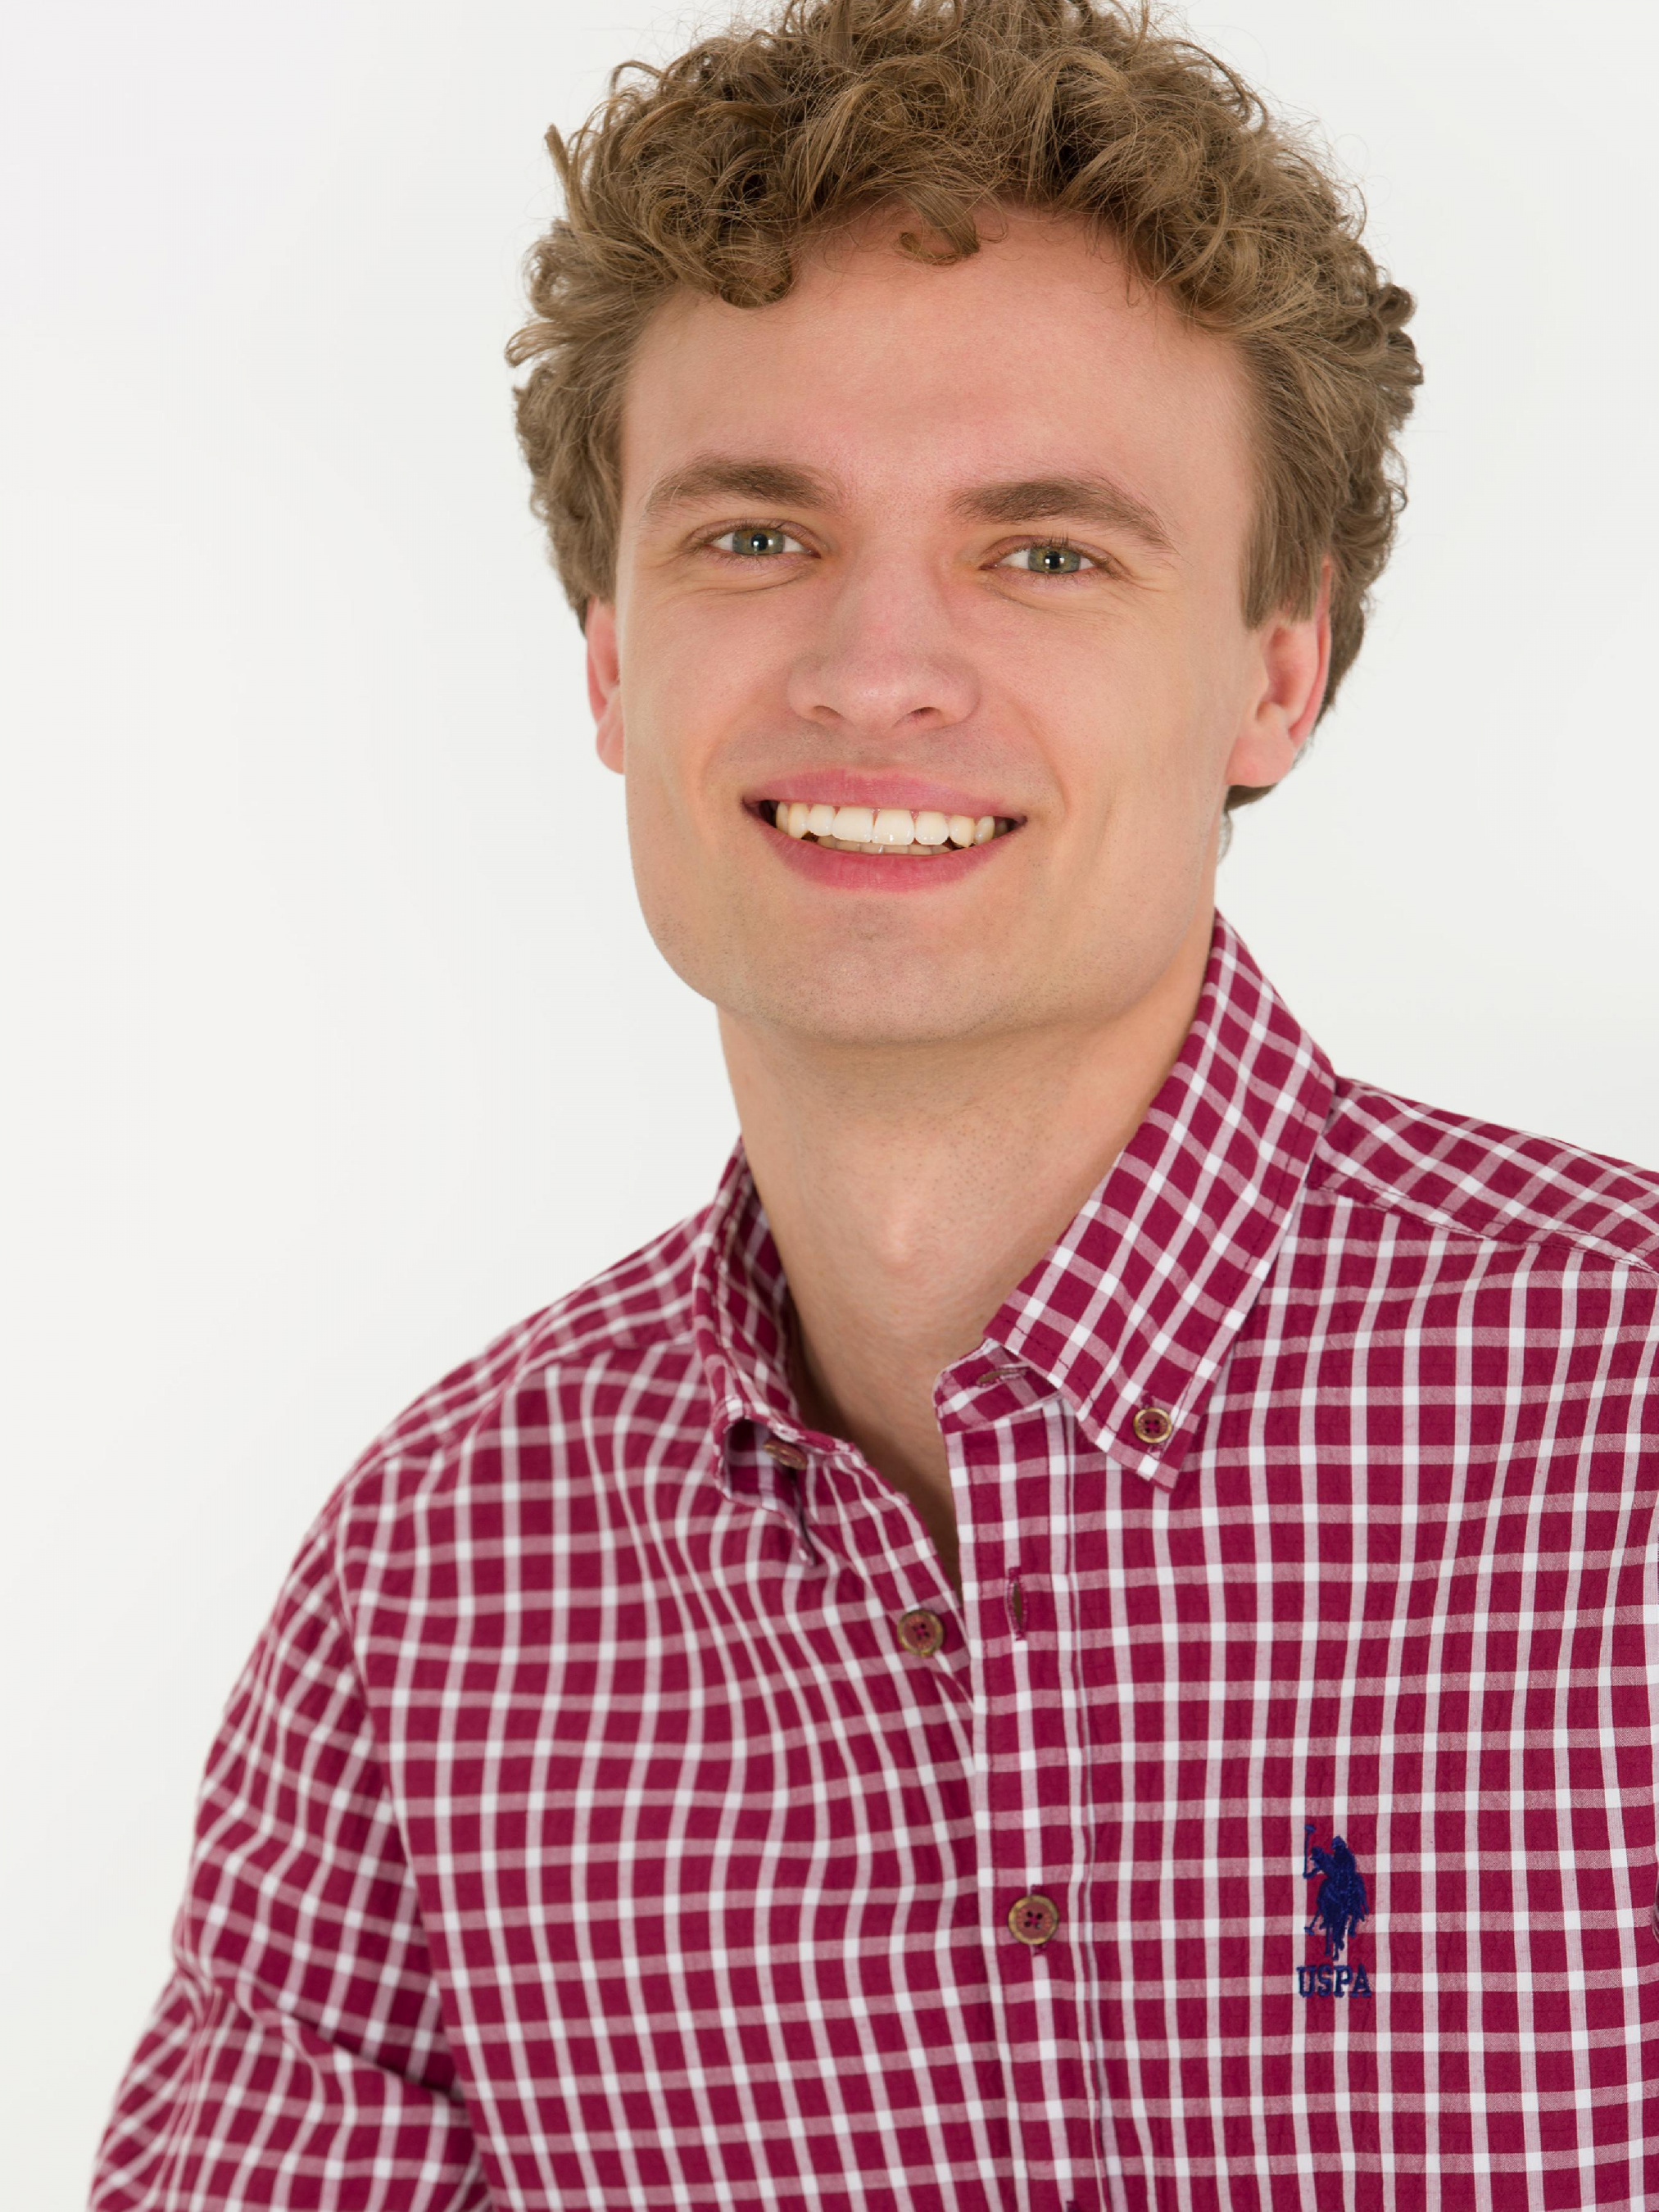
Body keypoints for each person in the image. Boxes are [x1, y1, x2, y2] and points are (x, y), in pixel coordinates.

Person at [92, 2, 1658, 2206]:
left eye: (1047, 553)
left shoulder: (1627, 1431)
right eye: (755, 539)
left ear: (1277, 672)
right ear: (610, 657)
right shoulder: (430, 1599)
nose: (874, 672)